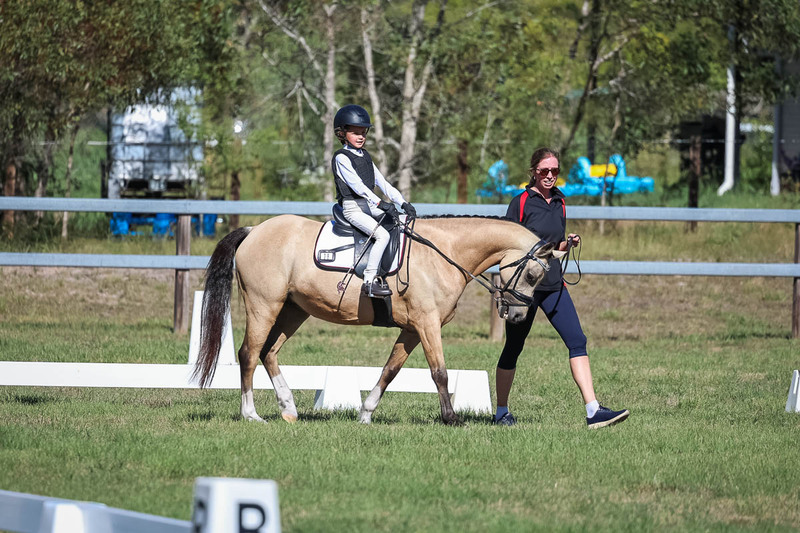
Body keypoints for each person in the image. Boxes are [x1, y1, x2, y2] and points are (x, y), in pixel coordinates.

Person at [492, 147, 629, 429]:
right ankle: (501, 412)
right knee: (513, 347)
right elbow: (506, 246)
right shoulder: (520, 203)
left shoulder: (560, 202)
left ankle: (593, 410)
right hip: (525, 289)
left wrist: (568, 244)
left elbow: (554, 246)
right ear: (534, 172)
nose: (550, 176)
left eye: (555, 171)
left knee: (577, 340)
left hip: (554, 286)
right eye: (545, 171)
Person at [331, 104, 416, 297]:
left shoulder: (365, 155)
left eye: (363, 132)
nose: (361, 136)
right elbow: (358, 186)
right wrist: (381, 204)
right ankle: (369, 281)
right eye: (355, 133)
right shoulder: (341, 158)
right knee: (382, 236)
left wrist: (402, 202)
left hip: (369, 207)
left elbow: (383, 183)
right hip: (353, 209)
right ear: (342, 133)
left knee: (400, 223)